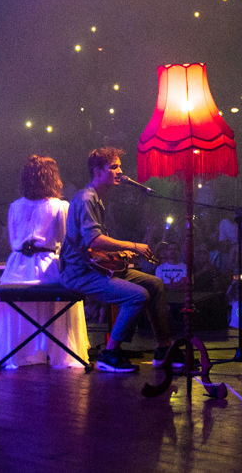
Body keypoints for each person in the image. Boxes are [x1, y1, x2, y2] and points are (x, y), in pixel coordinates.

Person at [60, 147, 180, 373]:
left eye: (120, 167)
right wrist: (133, 246)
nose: (120, 171)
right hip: (80, 273)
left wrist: (116, 255)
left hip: (95, 266)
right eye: (113, 167)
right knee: (137, 295)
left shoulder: (97, 199)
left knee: (154, 284)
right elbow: (93, 239)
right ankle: (109, 353)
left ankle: (164, 350)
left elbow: (90, 245)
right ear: (97, 172)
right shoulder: (86, 199)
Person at [0, 156, 89, 369]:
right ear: (53, 178)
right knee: (58, 300)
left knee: (18, 305)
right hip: (48, 269)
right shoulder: (61, 206)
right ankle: (61, 354)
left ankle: (19, 355)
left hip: (16, 270)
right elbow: (67, 243)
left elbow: (12, 240)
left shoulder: (14, 206)